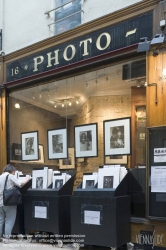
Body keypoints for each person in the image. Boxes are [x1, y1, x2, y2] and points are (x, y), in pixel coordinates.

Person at [0, 164, 31, 243]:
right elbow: (21, 184)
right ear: (12, 171)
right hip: (9, 202)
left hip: (0, 202)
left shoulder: (0, 177)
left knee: (1, 220)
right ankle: (7, 239)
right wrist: (27, 178)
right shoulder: (10, 176)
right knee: (9, 220)